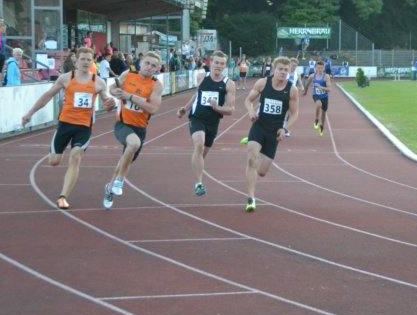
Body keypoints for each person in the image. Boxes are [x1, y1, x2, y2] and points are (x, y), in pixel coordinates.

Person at [21, 47, 115, 210]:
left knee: (75, 156)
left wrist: (110, 103)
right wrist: (30, 113)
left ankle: (63, 197)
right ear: (76, 60)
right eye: (82, 59)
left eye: (89, 59)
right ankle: (56, 150)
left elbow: (106, 103)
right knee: (54, 161)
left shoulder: (98, 82)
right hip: (65, 124)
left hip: (84, 127)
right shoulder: (66, 78)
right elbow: (48, 96)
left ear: (93, 62)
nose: (85, 62)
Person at [103, 51, 164, 209]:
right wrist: (115, 92)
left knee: (125, 162)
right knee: (134, 144)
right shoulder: (128, 75)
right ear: (140, 63)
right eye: (147, 63)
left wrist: (130, 97)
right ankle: (120, 180)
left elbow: (153, 108)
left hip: (140, 128)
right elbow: (112, 87)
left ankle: (110, 188)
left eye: (153, 66)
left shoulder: (157, 85)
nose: (149, 67)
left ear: (157, 69)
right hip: (123, 124)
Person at [243, 56, 299, 212]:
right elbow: (248, 100)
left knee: (261, 172)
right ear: (274, 69)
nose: (283, 72)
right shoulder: (262, 83)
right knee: (251, 160)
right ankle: (251, 198)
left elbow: (295, 114)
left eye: (286, 70)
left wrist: (285, 129)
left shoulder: (292, 90)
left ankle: (258, 152)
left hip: (274, 132)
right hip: (259, 126)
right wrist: (251, 111)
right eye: (280, 69)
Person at [176, 50, 236, 196]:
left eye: (222, 64)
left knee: (202, 154)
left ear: (225, 66)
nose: (219, 66)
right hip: (197, 118)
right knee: (199, 144)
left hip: (213, 122)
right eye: (216, 62)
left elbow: (230, 109)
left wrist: (217, 108)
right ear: (211, 63)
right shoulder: (201, 76)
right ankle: (199, 184)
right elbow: (198, 95)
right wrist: (185, 108)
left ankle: (196, 166)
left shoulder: (229, 84)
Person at [303, 59, 333, 137]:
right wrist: (305, 91)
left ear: (324, 68)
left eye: (321, 68)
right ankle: (316, 119)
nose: (320, 69)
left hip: (324, 97)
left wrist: (321, 87)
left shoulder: (326, 77)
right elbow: (307, 85)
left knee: (323, 113)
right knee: (318, 105)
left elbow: (329, 89)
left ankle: (322, 126)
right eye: (318, 68)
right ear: (315, 68)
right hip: (316, 95)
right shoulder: (312, 76)